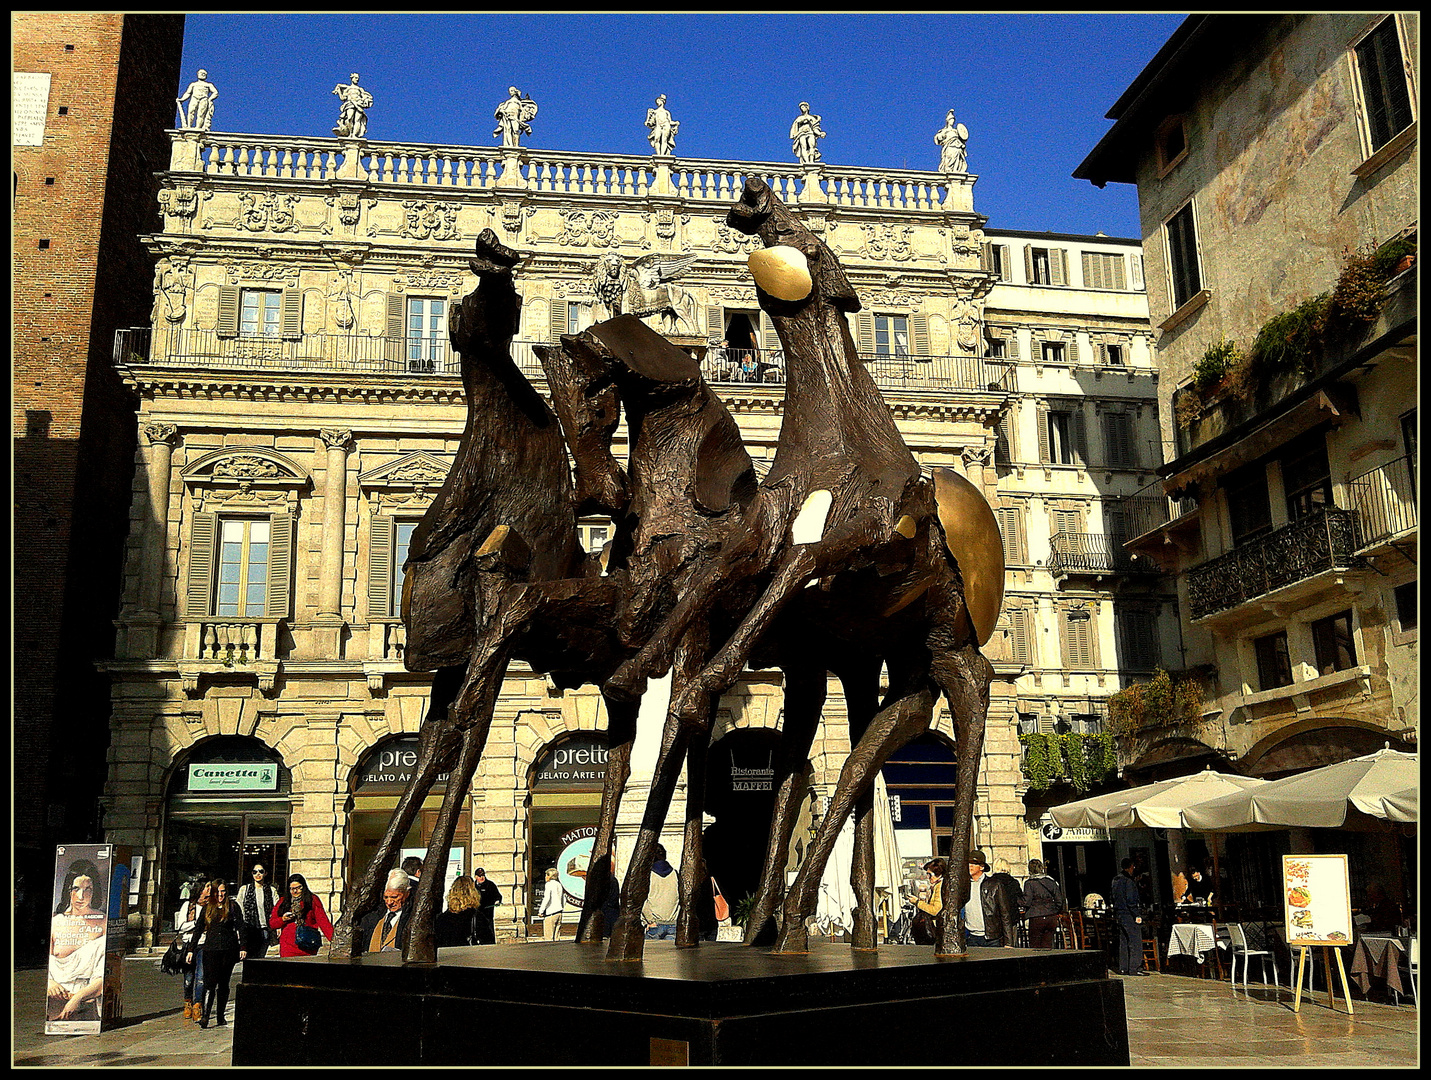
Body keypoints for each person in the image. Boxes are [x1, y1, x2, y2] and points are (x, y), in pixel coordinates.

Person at [47, 859, 108, 1023]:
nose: (82, 896)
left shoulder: (103, 922)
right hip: (54, 1004)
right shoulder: (57, 922)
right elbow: (46, 963)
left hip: (85, 1005)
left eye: (88, 890)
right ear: (68, 890)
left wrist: (78, 998)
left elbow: (104, 974)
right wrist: (50, 983)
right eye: (76, 889)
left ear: (95, 891)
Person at [185, 879, 246, 1027]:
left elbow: (241, 927)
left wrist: (243, 947)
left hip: (228, 950)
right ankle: (206, 1015)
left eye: (223, 891)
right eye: (217, 892)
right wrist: (191, 950)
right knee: (209, 983)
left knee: (224, 984)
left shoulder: (232, 906)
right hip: (211, 950)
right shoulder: (207, 908)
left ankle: (220, 1016)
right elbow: (199, 929)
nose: (221, 895)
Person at [269, 873, 333, 957]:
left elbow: (324, 922)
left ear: (304, 887)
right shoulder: (283, 901)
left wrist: (334, 941)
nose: (295, 891)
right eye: (292, 889)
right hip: (288, 948)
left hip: (307, 945)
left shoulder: (312, 900)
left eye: (298, 888)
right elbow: (272, 923)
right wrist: (283, 919)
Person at [964, 849, 1017, 948]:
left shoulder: (994, 885)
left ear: (981, 867)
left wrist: (1008, 942)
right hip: (971, 937)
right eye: (968, 863)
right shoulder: (964, 885)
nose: (969, 866)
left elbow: (1005, 914)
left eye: (973, 863)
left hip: (991, 938)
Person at [356, 869, 414, 956]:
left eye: (394, 897)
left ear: (407, 894)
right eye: (386, 897)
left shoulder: (412, 920)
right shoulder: (370, 919)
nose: (389, 902)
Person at [176, 880, 211, 1021]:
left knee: (201, 977)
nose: (209, 889)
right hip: (188, 944)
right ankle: (188, 1003)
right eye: (207, 887)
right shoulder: (188, 905)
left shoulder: (210, 906)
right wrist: (198, 923)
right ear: (200, 889)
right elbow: (181, 926)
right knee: (189, 978)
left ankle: (198, 1005)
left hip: (204, 944)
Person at [1111, 857, 1148, 976]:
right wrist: (1136, 914)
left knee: (1124, 941)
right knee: (1134, 941)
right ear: (1131, 867)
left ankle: (1123, 967)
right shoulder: (1128, 881)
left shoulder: (1115, 880)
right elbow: (1131, 900)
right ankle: (1134, 968)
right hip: (1128, 914)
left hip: (1120, 913)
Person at [1021, 859, 1067, 949]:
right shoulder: (1051, 881)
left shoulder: (1029, 883)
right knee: (1048, 945)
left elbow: (1027, 901)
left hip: (1036, 916)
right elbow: (1059, 900)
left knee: (1035, 946)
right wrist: (1054, 911)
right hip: (1051, 917)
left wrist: (1017, 900)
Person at [237, 863, 279, 959]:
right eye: (255, 872)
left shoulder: (271, 890)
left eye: (261, 871)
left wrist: (277, 927)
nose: (258, 874)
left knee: (261, 956)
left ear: (265, 873)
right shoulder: (244, 889)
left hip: (266, 929)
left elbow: (276, 910)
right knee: (250, 956)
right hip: (250, 929)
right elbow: (239, 910)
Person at [643, 844, 680, 940]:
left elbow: (642, 900)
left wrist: (650, 921)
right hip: (673, 923)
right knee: (672, 954)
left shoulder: (647, 875)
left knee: (652, 954)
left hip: (654, 923)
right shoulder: (675, 874)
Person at [436, 875, 483, 948]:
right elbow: (489, 943)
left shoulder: (442, 918)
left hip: (447, 957)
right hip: (470, 957)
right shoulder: (477, 917)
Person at [912, 858, 946, 946]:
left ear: (938, 874)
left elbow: (935, 910)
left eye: (929, 874)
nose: (928, 877)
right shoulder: (936, 885)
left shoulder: (939, 887)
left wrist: (917, 903)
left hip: (936, 928)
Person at [989, 857, 1024, 940]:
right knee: (1011, 945)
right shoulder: (1014, 882)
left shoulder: (990, 882)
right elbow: (1019, 898)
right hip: (1011, 918)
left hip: (994, 920)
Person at [331, 73, 372, 139]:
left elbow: (365, 96)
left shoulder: (360, 89)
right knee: (349, 119)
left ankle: (355, 135)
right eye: (355, 78)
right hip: (350, 104)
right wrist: (339, 91)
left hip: (358, 104)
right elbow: (343, 98)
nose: (357, 79)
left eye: (358, 78)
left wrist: (364, 100)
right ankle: (350, 133)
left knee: (357, 120)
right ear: (352, 78)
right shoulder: (348, 89)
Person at [472, 867, 502, 944]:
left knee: (488, 929)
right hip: (476, 913)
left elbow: (498, 896)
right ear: (475, 877)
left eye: (483, 875)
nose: (481, 878)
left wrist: (497, 901)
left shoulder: (490, 885)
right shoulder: (472, 886)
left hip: (487, 913)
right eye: (479, 876)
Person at [934, 110, 969, 174]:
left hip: (957, 146)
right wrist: (941, 136)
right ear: (948, 121)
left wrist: (962, 144)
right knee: (949, 158)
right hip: (949, 146)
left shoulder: (956, 131)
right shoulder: (944, 130)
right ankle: (949, 170)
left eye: (953, 120)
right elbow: (937, 138)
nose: (952, 122)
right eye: (951, 120)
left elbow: (962, 137)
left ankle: (955, 170)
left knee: (957, 159)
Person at [537, 867, 565, 941]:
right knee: (556, 937)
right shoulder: (559, 884)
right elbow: (563, 898)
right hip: (559, 912)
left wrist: (541, 911)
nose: (545, 877)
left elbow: (547, 898)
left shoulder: (549, 884)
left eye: (546, 875)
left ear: (550, 876)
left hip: (551, 913)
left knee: (548, 938)